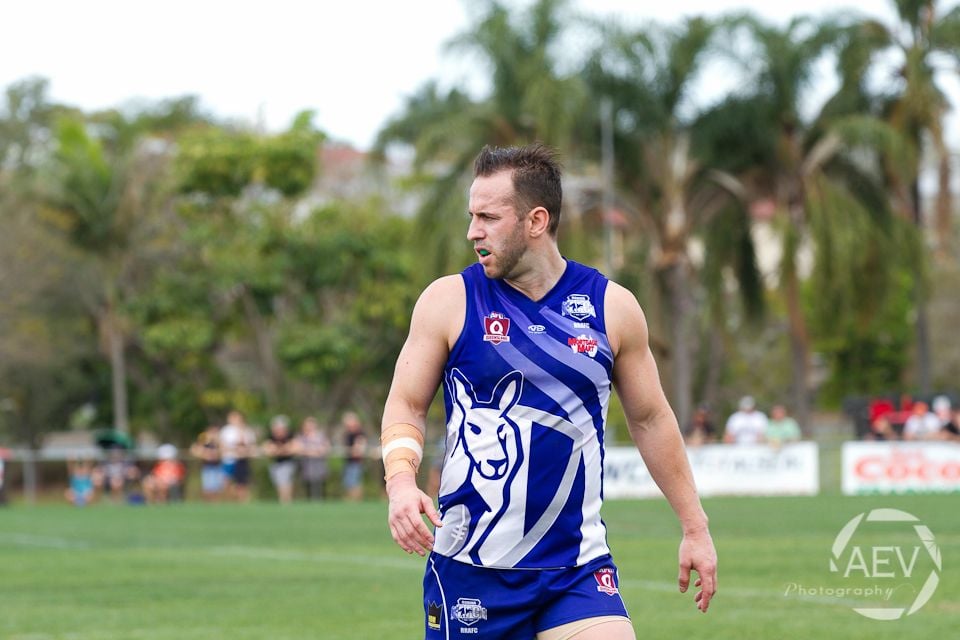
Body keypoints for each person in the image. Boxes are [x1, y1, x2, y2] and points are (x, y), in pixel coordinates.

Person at [381, 144, 716, 640]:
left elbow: (651, 419)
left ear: (536, 221)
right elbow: (406, 404)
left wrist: (695, 527)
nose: (473, 230)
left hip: (576, 569)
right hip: (471, 569)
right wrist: (400, 484)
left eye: (488, 217)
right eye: (472, 216)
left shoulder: (612, 307)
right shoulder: (448, 301)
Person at [219, 410, 258, 502]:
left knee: (242, 483)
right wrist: (234, 450)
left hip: (242, 460)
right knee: (227, 482)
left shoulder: (246, 430)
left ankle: (242, 501)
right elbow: (222, 446)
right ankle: (230, 500)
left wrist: (245, 450)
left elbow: (251, 445)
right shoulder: (226, 430)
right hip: (229, 460)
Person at [263, 414, 301, 504]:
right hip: (275, 464)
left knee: (284, 482)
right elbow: (268, 450)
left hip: (288, 463)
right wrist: (284, 449)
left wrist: (279, 450)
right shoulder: (271, 437)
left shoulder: (290, 436)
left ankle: (286, 501)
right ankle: (284, 501)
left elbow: (295, 448)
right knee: (280, 482)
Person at [297, 416, 331, 500]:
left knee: (321, 485)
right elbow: (298, 449)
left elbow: (326, 448)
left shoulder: (321, 436)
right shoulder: (301, 437)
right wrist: (311, 452)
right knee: (308, 485)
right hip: (307, 466)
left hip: (319, 465)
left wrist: (317, 452)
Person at [190, 424, 225, 502]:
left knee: (217, 488)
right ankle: (208, 503)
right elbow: (195, 450)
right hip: (207, 467)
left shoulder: (218, 443)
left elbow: (223, 451)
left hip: (217, 467)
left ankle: (215, 504)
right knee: (207, 488)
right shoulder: (204, 442)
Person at [341, 411, 368, 501]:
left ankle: (356, 500)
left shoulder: (360, 433)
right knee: (349, 482)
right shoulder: (347, 434)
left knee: (355, 481)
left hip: (356, 462)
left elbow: (359, 449)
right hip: (348, 462)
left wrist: (353, 450)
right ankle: (351, 499)